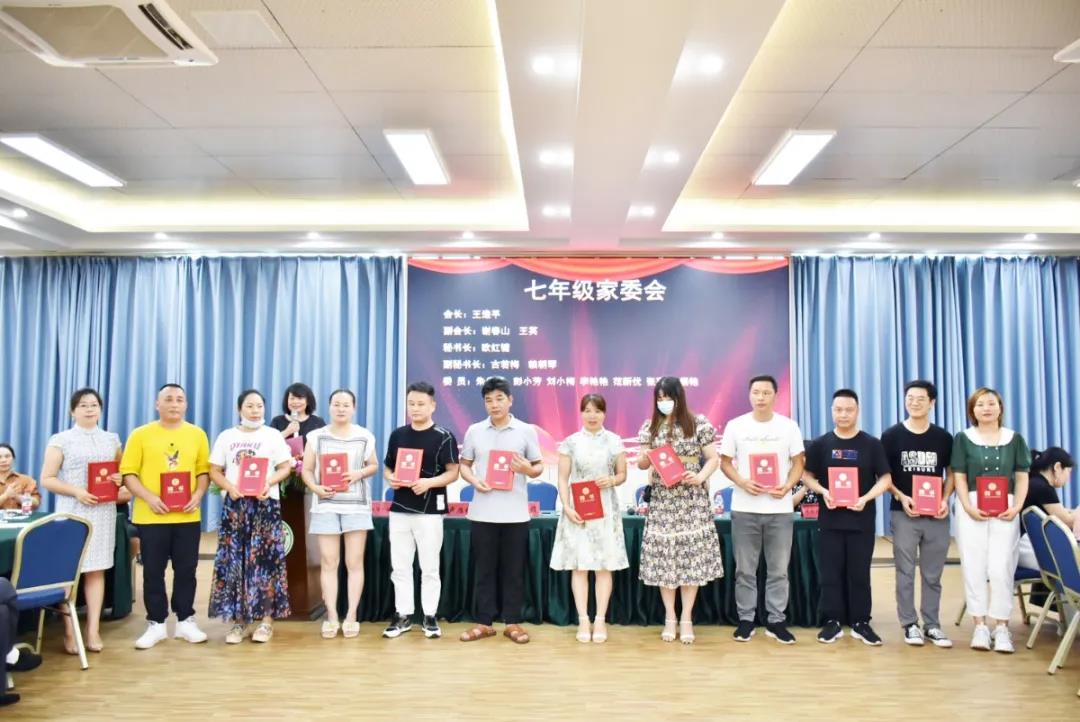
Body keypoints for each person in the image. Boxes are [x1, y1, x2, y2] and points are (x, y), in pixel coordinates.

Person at [120, 383, 211, 650]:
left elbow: (203, 472)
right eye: (168, 399)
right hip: (151, 516)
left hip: (187, 516)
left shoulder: (197, 434)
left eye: (179, 399)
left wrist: (198, 494)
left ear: (186, 405)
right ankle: (156, 623)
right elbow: (128, 474)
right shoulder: (140, 435)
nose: (174, 404)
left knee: (186, 570)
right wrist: (149, 497)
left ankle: (185, 621)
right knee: (152, 571)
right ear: (157, 404)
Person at [40, 388, 130, 654]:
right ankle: (70, 631)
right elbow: (47, 479)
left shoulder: (111, 439)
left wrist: (118, 479)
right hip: (72, 511)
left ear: (100, 409)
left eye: (94, 405)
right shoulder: (61, 439)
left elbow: (122, 476)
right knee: (69, 573)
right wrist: (77, 491)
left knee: (96, 570)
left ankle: (92, 630)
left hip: (102, 513)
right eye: (83, 405)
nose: (89, 409)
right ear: (72, 411)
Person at [636, 376, 723, 645]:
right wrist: (644, 457)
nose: (664, 402)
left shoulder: (699, 423)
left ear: (679, 397)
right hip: (663, 501)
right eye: (659, 398)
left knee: (690, 561)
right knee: (665, 561)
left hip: (692, 500)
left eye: (668, 397)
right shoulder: (650, 426)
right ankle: (670, 617)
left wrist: (700, 477)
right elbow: (642, 463)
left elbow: (713, 459)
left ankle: (686, 617)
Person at [719, 374, 805, 645]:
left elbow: (799, 463)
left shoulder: (788, 426)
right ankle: (746, 620)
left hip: (779, 509)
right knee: (745, 570)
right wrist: (742, 482)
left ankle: (776, 621)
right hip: (745, 509)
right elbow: (725, 462)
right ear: (749, 395)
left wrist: (788, 486)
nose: (761, 397)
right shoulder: (736, 426)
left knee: (779, 570)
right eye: (756, 392)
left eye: (766, 392)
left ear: (775, 396)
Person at [458, 377, 544, 645]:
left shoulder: (525, 430)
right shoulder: (474, 431)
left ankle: (512, 623)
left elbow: (538, 466)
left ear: (510, 400)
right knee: (484, 569)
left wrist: (527, 469)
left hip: (515, 513)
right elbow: (464, 465)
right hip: (482, 512)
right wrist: (474, 481)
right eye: (488, 400)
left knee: (513, 571)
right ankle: (484, 623)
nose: (494, 405)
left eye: (499, 399)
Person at [803, 389, 892, 646]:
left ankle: (861, 622)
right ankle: (832, 621)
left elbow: (885, 478)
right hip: (830, 520)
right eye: (838, 409)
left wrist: (866, 498)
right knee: (830, 572)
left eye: (849, 410)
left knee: (859, 573)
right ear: (832, 411)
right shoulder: (821, 444)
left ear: (857, 411)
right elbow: (807, 476)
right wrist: (823, 491)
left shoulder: (871, 444)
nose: (843, 414)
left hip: (861, 520)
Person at [208, 389, 294, 644]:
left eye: (259, 406)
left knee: (265, 562)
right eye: (250, 406)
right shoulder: (227, 436)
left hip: (265, 505)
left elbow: (285, 467)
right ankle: (240, 621)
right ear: (239, 409)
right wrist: (229, 487)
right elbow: (214, 470)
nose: (255, 411)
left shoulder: (272, 435)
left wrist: (269, 483)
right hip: (236, 506)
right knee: (236, 561)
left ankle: (266, 622)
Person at [951, 387, 1030, 653]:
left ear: (1000, 408)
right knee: (973, 566)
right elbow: (959, 476)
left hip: (1006, 507)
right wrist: (967, 506)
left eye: (991, 403)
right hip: (971, 507)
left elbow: (1022, 476)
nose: (986, 408)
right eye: (980, 404)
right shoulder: (963, 438)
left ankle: (1002, 627)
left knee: (1001, 567)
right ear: (972, 410)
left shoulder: (1014, 439)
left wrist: (1017, 506)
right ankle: (980, 626)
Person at [382, 381, 460, 640]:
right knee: (400, 566)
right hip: (400, 509)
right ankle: (403, 615)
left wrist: (428, 482)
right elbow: (388, 467)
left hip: (429, 512)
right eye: (411, 403)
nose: (415, 408)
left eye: (421, 404)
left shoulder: (444, 436)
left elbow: (453, 472)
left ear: (432, 405)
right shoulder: (398, 435)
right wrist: (390, 478)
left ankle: (429, 616)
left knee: (429, 567)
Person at [550, 393, 629, 644]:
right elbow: (563, 478)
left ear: (604, 413)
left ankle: (600, 620)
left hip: (605, 509)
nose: (592, 415)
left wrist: (612, 480)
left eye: (597, 410)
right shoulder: (571, 442)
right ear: (581, 413)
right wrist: (566, 506)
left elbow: (623, 474)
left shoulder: (614, 441)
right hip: (578, 509)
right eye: (587, 410)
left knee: (604, 567)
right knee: (580, 566)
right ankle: (583, 619)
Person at [881, 380, 955, 649]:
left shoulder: (943, 438)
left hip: (937, 515)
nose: (914, 403)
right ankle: (909, 623)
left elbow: (951, 474)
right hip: (904, 514)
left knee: (933, 573)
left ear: (931, 403)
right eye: (910, 398)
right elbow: (884, 476)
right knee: (905, 571)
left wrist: (945, 499)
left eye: (920, 398)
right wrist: (902, 496)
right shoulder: (891, 436)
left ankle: (932, 624)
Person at [300, 388, 378, 640]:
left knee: (354, 562)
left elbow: (374, 465)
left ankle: (351, 615)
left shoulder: (364, 435)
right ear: (329, 407)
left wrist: (358, 474)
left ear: (354, 408)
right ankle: (332, 615)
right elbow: (307, 470)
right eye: (336, 404)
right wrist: (315, 488)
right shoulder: (315, 437)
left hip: (356, 506)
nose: (341, 408)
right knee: (329, 562)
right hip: (325, 506)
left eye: (346, 405)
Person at [1019, 447, 1076, 569]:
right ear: (1057, 467)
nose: (1068, 478)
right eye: (1068, 472)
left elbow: (1060, 511)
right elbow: (1068, 522)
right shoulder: (1043, 488)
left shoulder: (1034, 481)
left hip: (1021, 546)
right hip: (1026, 549)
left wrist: (1073, 512)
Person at [0, 444, 41, 511]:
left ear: (13, 459)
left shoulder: (27, 480)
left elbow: (36, 503)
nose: (3, 460)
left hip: (22, 517)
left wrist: (17, 497)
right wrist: (6, 495)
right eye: (0, 457)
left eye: (7, 456)